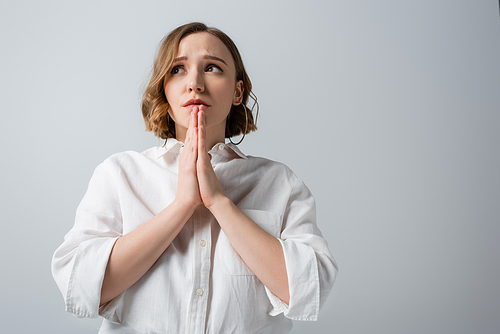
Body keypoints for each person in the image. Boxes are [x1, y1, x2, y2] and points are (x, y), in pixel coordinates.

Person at [52, 22, 338, 334]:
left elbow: (309, 289)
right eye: (177, 70)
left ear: (237, 91)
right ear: (165, 89)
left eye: (212, 68)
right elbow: (79, 283)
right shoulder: (120, 174)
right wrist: (182, 205)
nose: (194, 84)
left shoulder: (279, 182)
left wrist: (219, 202)